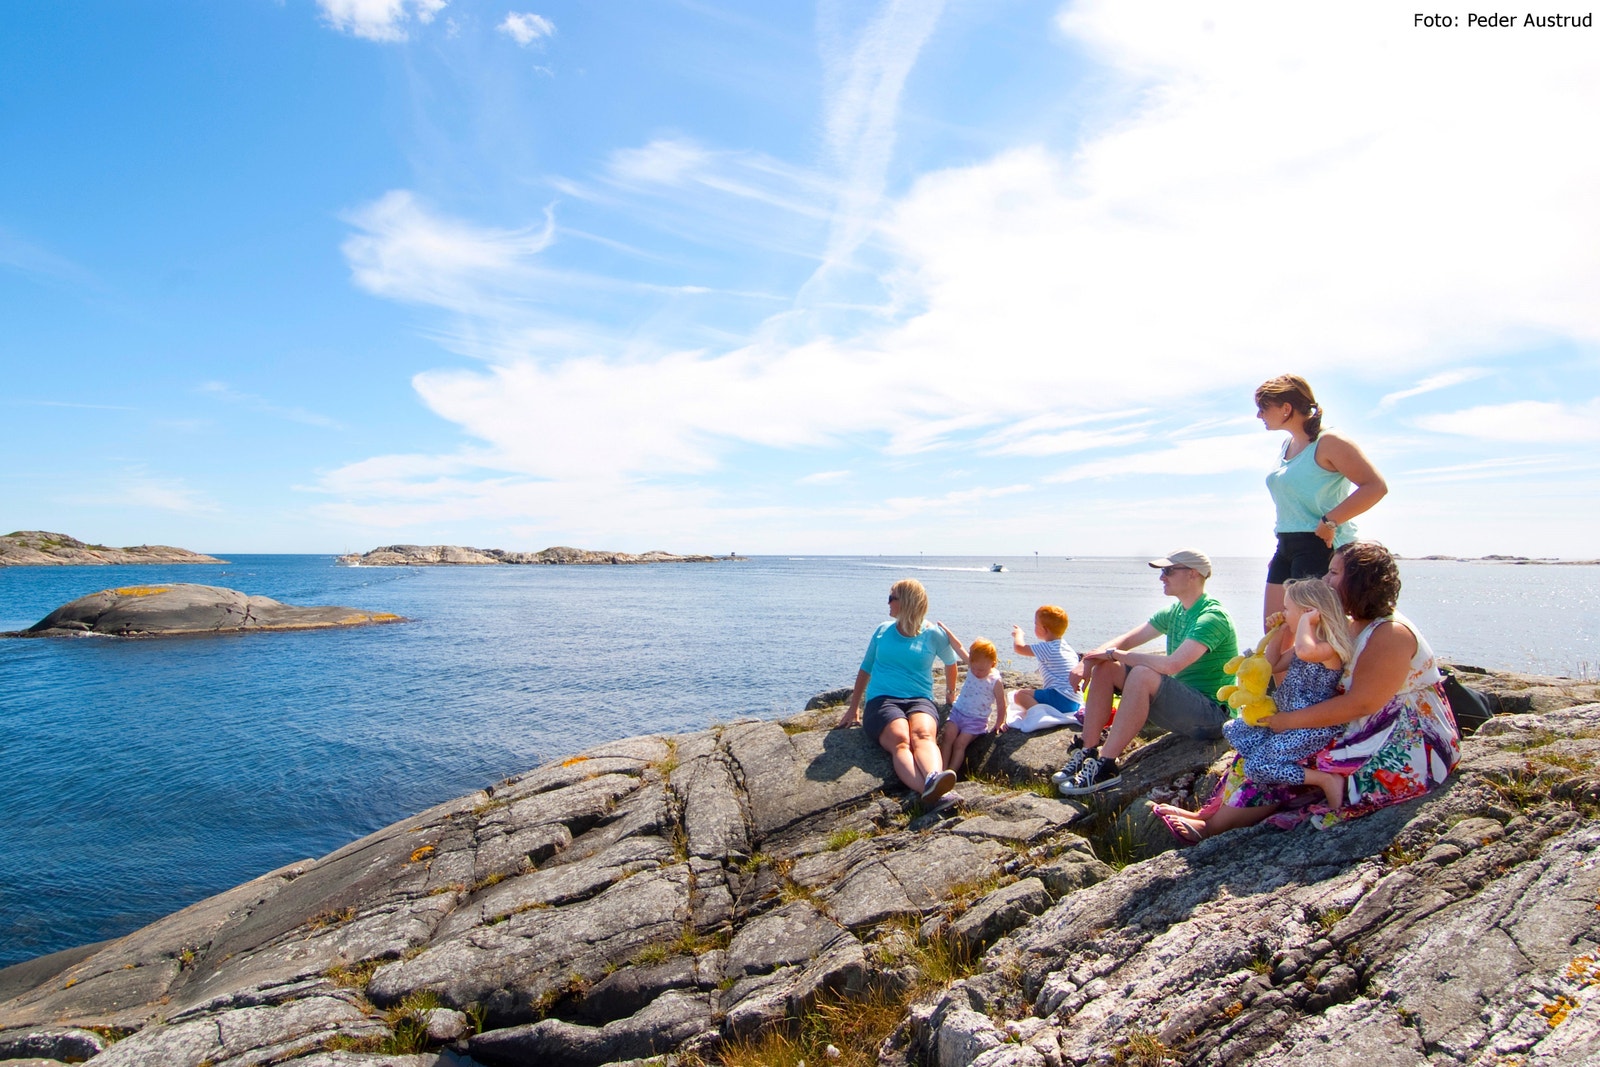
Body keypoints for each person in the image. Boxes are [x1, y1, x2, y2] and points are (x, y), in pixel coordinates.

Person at [1155, 541, 1462, 842]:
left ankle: (1213, 829)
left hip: (1400, 737)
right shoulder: (1345, 624)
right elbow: (1279, 663)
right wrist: (1283, 629)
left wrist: (1290, 722)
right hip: (1350, 723)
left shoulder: (1390, 632)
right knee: (1257, 744)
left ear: (1360, 580)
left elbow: (1362, 703)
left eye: (1334, 573)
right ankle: (1209, 816)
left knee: (1287, 759)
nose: (1325, 580)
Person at [1056, 550, 1240, 796]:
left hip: (1213, 716)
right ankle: (1089, 751)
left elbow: (1172, 665)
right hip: (1183, 710)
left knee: (1141, 673)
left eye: (1168, 571)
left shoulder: (1212, 617)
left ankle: (1107, 765)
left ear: (1193, 574)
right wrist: (1088, 662)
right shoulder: (1175, 612)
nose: (1162, 577)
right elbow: (1126, 640)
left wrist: (1117, 654)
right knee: (1107, 667)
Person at [1256, 375, 1387, 627]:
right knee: (1273, 631)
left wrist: (1330, 521)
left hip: (1320, 544)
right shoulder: (1287, 445)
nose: (1259, 415)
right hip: (1286, 544)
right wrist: (1283, 545)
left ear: (1286, 408)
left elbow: (1375, 487)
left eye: (1263, 408)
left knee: (1312, 632)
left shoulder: (1330, 441)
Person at [1218, 578, 1350, 810]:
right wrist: (1279, 630)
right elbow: (1272, 664)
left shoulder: (1329, 648)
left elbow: (1305, 650)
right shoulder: (1303, 647)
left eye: (1288, 609)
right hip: (1286, 717)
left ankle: (1325, 780)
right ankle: (1278, 768)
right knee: (1234, 728)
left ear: (1309, 613)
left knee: (1255, 767)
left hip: (1310, 725)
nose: (1283, 612)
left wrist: (1304, 624)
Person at [837, 579, 961, 804]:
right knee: (901, 739)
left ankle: (934, 778)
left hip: (920, 700)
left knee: (923, 735)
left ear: (906, 602)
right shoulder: (882, 631)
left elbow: (951, 663)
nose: (888, 603)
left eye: (891, 598)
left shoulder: (933, 634)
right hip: (882, 701)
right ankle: (934, 792)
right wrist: (853, 708)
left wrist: (950, 694)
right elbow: (866, 668)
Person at [934, 631, 1008, 777]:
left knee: (960, 744)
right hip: (959, 712)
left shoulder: (995, 681)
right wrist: (945, 631)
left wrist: (999, 723)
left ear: (992, 664)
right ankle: (940, 770)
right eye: (973, 668)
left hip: (976, 720)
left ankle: (950, 773)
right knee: (948, 736)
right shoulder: (971, 666)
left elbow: (1001, 703)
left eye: (981, 670)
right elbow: (958, 647)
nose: (976, 672)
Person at [1009, 605, 1082, 720]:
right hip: (1075, 702)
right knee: (1037, 693)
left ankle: (1040, 715)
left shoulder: (1048, 648)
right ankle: (1044, 710)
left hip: (1061, 697)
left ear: (1044, 629)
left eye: (1035, 624)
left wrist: (1019, 635)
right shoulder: (1067, 648)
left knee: (1019, 695)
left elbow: (1019, 648)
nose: (1034, 626)